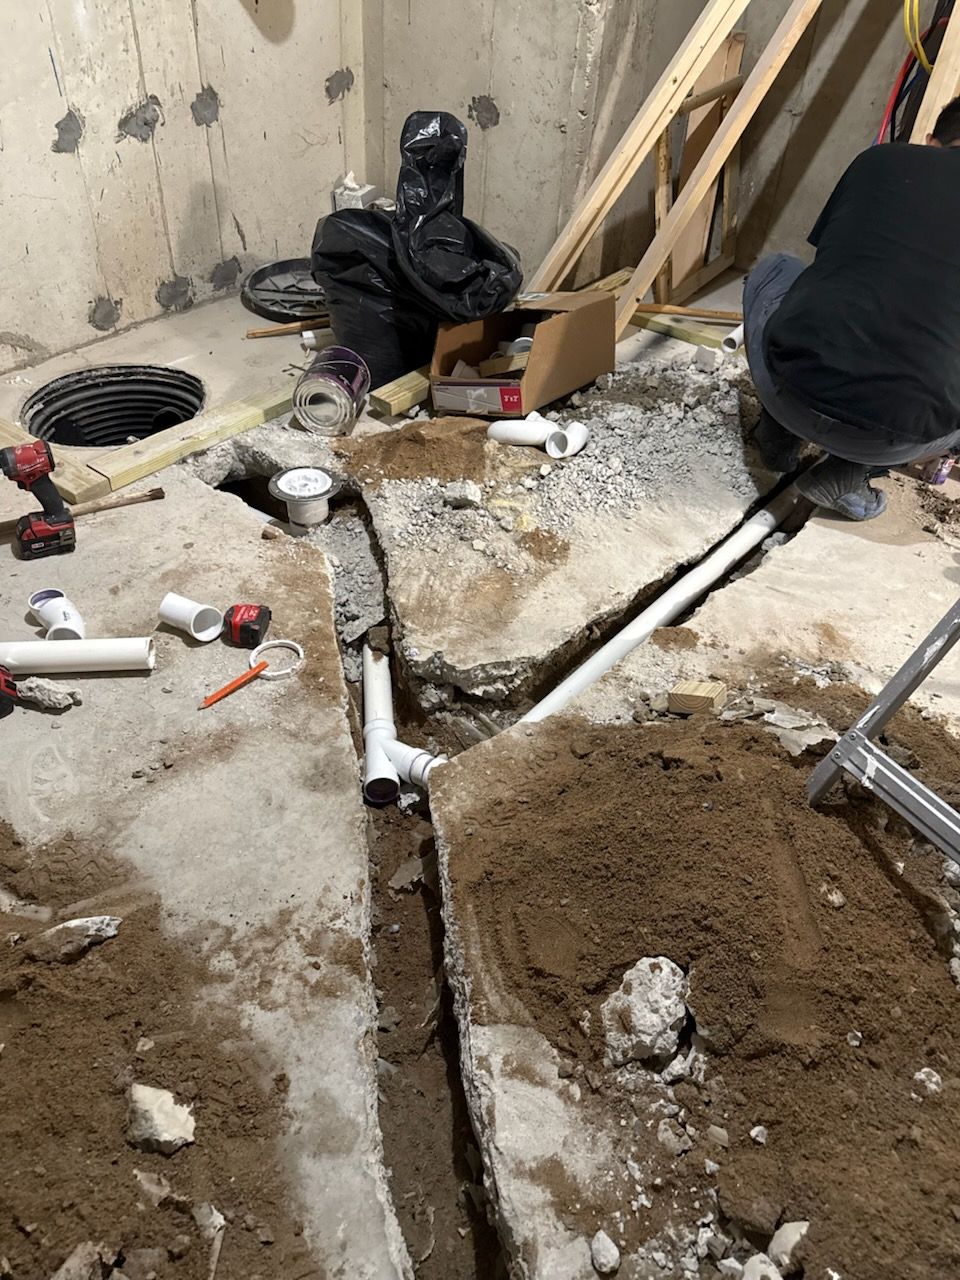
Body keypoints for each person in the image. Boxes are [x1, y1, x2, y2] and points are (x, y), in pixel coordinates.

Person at [743, 95, 960, 520]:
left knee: (779, 268)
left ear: (932, 143)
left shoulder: (879, 161)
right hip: (896, 436)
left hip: (790, 384)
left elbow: (833, 267)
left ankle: (778, 437)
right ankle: (845, 474)